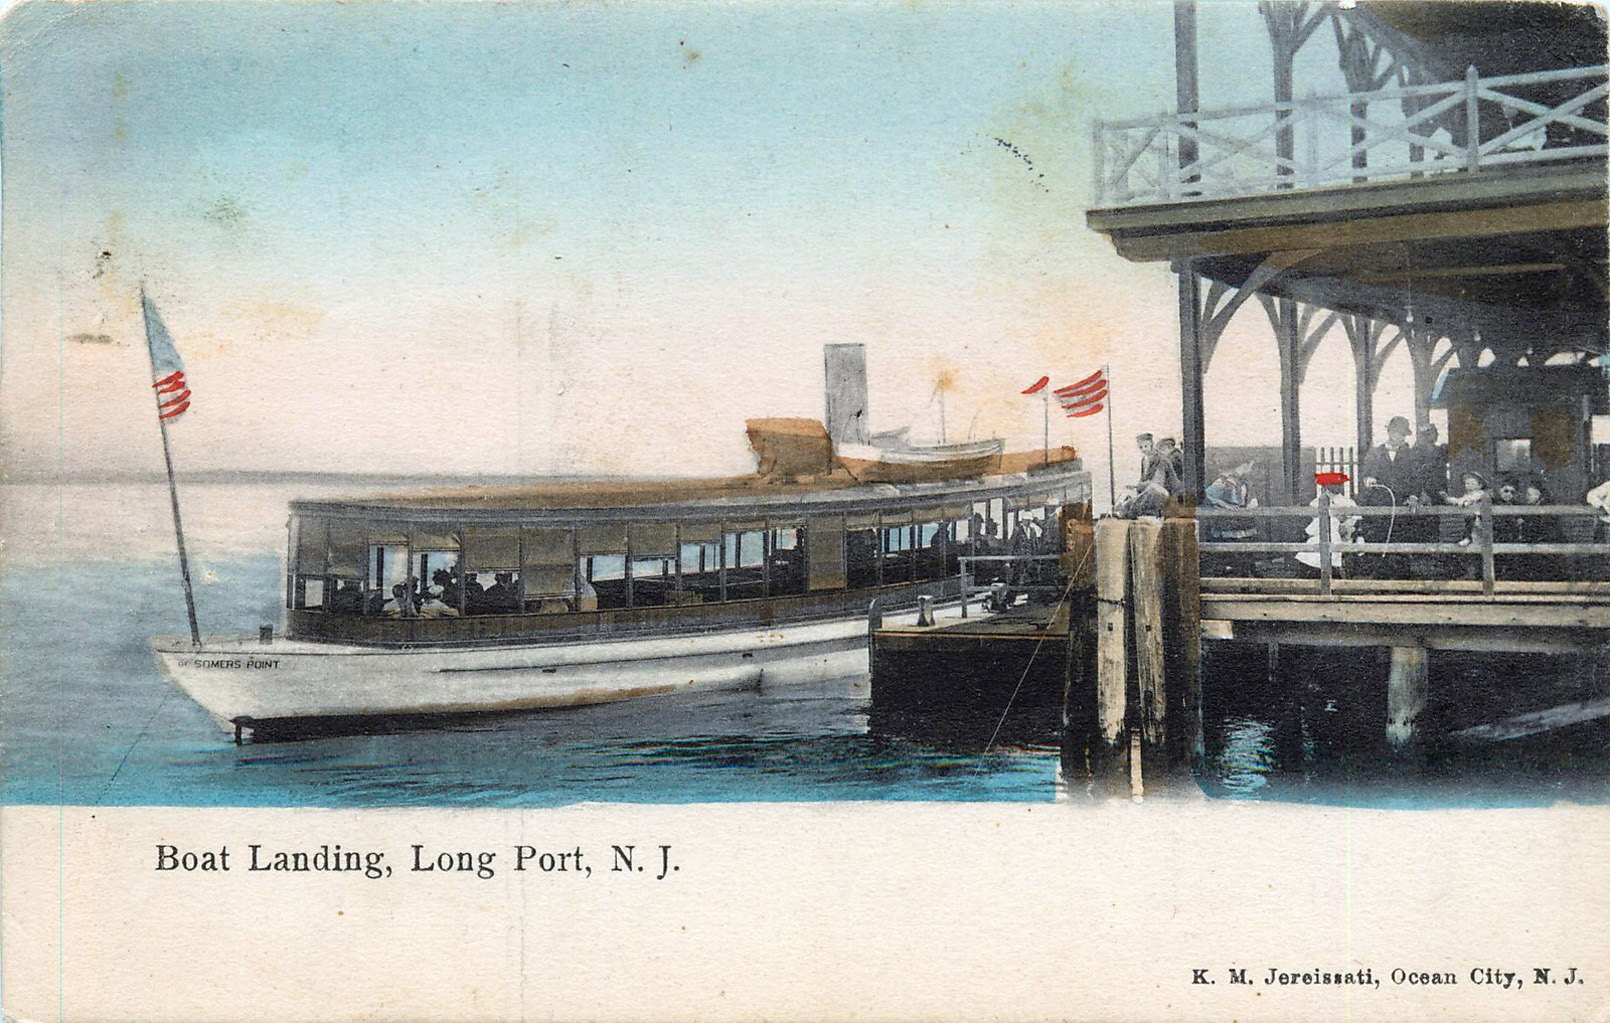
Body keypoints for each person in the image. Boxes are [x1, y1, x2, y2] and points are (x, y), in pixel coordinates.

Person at [1359, 416, 1418, 576]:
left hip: (1401, 503)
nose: (1398, 436)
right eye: (1395, 432)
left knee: (1400, 541)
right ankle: (1378, 580)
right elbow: (1366, 473)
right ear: (1389, 432)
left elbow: (1417, 478)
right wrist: (1368, 478)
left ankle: (1401, 581)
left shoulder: (1411, 454)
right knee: (1377, 539)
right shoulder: (1375, 453)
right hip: (1379, 502)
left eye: (1402, 434)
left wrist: (1413, 496)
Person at [1295, 479, 1359, 575]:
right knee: (1318, 538)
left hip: (1341, 534)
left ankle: (1328, 569)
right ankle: (1314, 569)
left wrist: (1345, 525)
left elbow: (1354, 521)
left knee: (1333, 529)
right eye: (1332, 483)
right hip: (1319, 534)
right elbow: (1313, 523)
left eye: (1338, 484)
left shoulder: (1349, 502)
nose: (1336, 486)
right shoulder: (1315, 502)